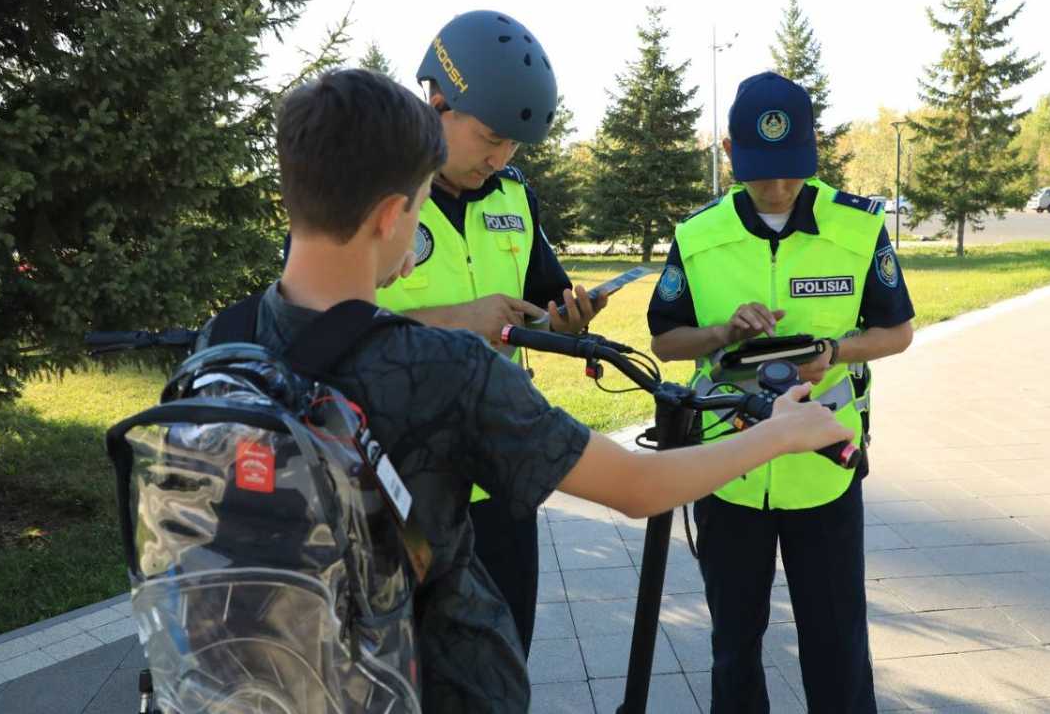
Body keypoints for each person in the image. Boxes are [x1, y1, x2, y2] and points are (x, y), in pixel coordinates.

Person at [218, 68, 852, 712]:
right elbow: (638, 488)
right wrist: (778, 435)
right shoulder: (446, 367)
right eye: (417, 206)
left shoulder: (224, 339)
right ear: (391, 215)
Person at [647, 72, 915, 714]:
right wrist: (720, 331)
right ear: (730, 152)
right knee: (734, 645)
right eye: (761, 172)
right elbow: (665, 340)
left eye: (791, 171)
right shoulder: (698, 235)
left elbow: (898, 331)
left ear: (813, 149)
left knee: (837, 644)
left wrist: (835, 353)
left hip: (823, 469)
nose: (778, 189)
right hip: (727, 466)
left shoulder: (857, 228)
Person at [374, 10, 601, 657]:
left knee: (504, 659)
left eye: (515, 146)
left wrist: (563, 320)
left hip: (499, 477)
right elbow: (320, 330)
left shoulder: (513, 197)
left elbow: (543, 295)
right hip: (400, 486)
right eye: (491, 137)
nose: (501, 156)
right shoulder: (367, 191)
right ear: (438, 101)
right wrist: (459, 320)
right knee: (405, 672)